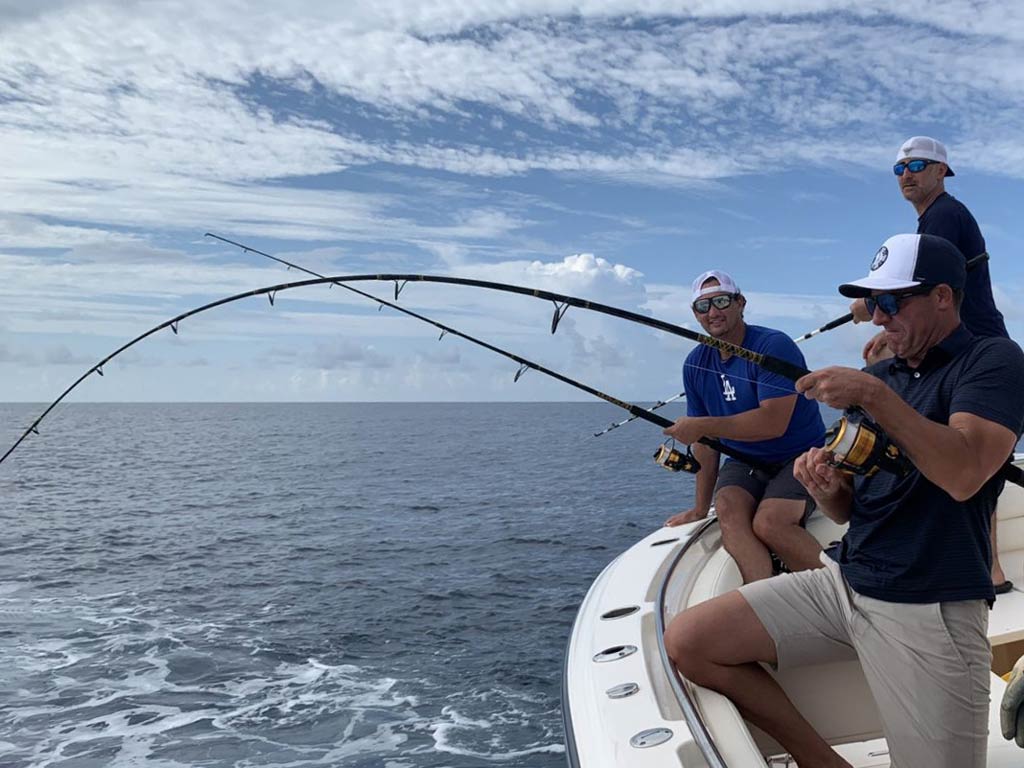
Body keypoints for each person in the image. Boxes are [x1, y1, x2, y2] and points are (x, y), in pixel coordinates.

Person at [664, 233, 1024, 768]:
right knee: (691, 641)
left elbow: (965, 474)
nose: (878, 318)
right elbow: (851, 510)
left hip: (930, 604)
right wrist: (829, 489)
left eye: (891, 301)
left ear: (943, 296)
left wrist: (870, 394)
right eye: (874, 303)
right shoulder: (883, 375)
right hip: (846, 582)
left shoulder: (991, 361)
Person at [853, 135, 1014, 592]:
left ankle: (988, 568)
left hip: (971, 351)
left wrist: (870, 309)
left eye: (918, 165)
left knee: (968, 458)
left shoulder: (943, 215)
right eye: (899, 168)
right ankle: (990, 569)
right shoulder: (938, 218)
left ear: (943, 170)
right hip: (963, 347)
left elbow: (924, 289)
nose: (907, 174)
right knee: (968, 457)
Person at [662, 270, 826, 583]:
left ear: (741, 303)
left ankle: (843, 594)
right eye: (702, 306)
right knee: (727, 510)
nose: (713, 312)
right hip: (745, 461)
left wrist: (701, 426)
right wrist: (699, 508)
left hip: (800, 454)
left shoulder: (774, 345)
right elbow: (706, 443)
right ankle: (760, 597)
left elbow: (772, 423)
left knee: (770, 523)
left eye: (721, 301)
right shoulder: (694, 363)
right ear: (695, 315)